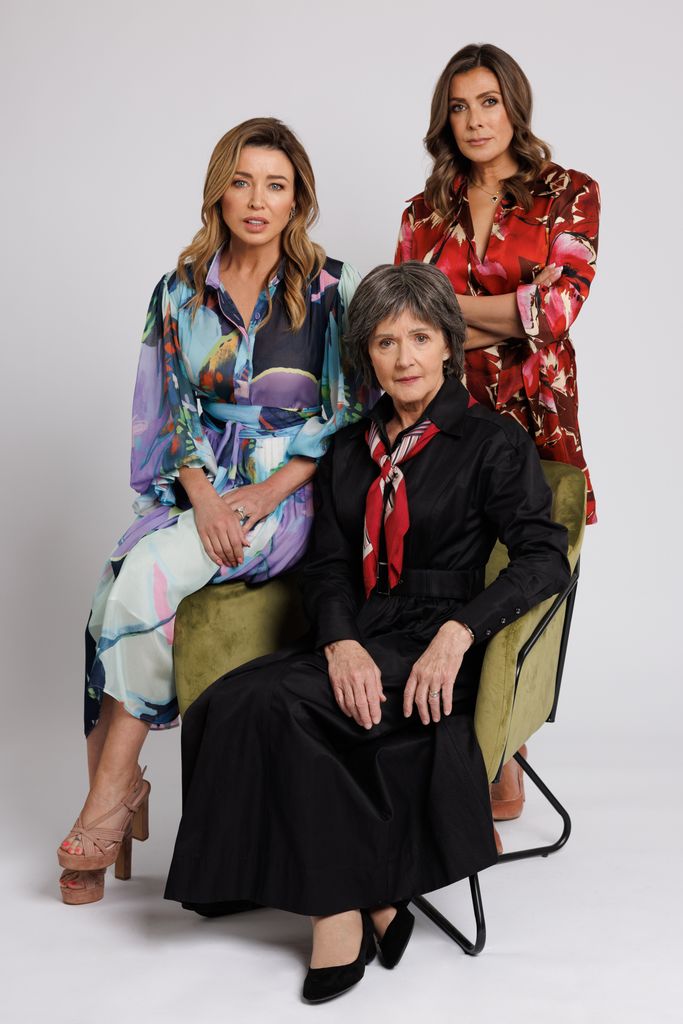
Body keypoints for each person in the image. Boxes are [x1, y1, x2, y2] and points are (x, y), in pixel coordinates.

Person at [165, 262, 570, 1002]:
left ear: (449, 344)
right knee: (228, 701)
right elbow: (325, 568)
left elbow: (544, 558)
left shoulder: (491, 441)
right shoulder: (350, 449)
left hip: (442, 644)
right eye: (385, 342)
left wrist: (459, 633)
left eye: (420, 337)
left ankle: (335, 917)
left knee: (284, 707)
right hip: (364, 630)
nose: (404, 357)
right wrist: (339, 641)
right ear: (367, 356)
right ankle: (371, 896)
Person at [57, 117, 368, 906]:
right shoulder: (178, 290)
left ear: (297, 199)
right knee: (111, 589)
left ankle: (109, 796)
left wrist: (262, 495)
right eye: (241, 181)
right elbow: (165, 414)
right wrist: (202, 499)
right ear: (218, 192)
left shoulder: (330, 291)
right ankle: (119, 789)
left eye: (275, 184)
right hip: (200, 485)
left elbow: (344, 414)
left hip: (286, 495)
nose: (256, 200)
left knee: (143, 580)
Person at [395, 43, 600, 824]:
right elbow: (399, 321)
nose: (475, 119)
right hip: (440, 420)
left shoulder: (567, 195)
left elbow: (556, 314)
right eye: (459, 105)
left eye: (488, 101)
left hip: (536, 419)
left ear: (513, 103)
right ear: (443, 117)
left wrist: (443, 318)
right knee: (448, 574)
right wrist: (507, 312)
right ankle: (469, 749)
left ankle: (505, 747)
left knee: (522, 572)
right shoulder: (423, 213)